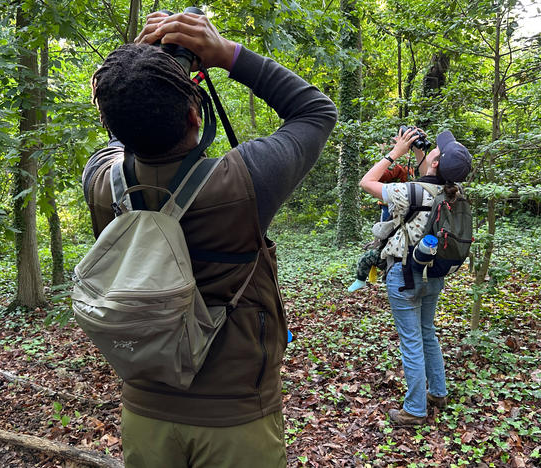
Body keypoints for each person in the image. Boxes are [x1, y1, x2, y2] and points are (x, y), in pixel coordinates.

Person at [82, 11, 337, 467]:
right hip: (236, 417)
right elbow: (316, 110)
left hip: (144, 414)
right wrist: (227, 55)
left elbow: (118, 123)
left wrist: (134, 69)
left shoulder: (102, 183)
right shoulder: (245, 181)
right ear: (196, 114)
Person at [358, 127, 472, 425]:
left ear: (437, 163)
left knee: (411, 341)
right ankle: (438, 392)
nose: (433, 148)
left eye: (436, 150)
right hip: (434, 274)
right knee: (427, 334)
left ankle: (415, 410)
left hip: (405, 275)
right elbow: (429, 178)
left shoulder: (408, 192)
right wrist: (420, 152)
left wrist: (395, 153)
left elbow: (366, 182)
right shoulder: (454, 193)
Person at [348, 164, 412, 292]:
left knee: (369, 257)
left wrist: (388, 158)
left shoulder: (399, 167)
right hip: (402, 244)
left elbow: (371, 180)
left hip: (396, 249)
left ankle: (361, 280)